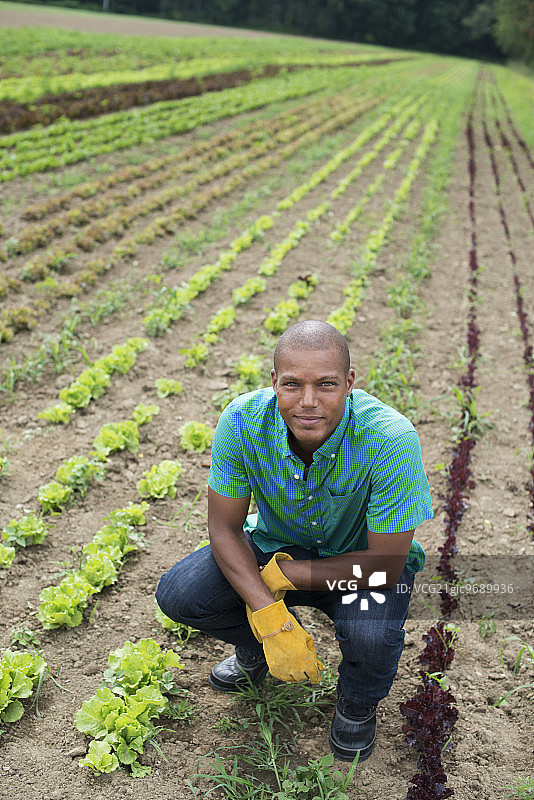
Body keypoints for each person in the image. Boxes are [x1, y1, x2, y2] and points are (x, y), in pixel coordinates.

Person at [156, 319, 433, 763]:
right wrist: (269, 617)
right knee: (181, 594)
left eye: (326, 385)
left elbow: (385, 565)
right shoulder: (243, 421)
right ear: (274, 383)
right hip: (275, 543)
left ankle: (357, 704)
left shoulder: (390, 441)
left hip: (358, 565)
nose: (308, 402)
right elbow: (225, 528)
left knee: (370, 634)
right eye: (292, 384)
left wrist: (287, 574)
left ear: (349, 383)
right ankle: (258, 647)